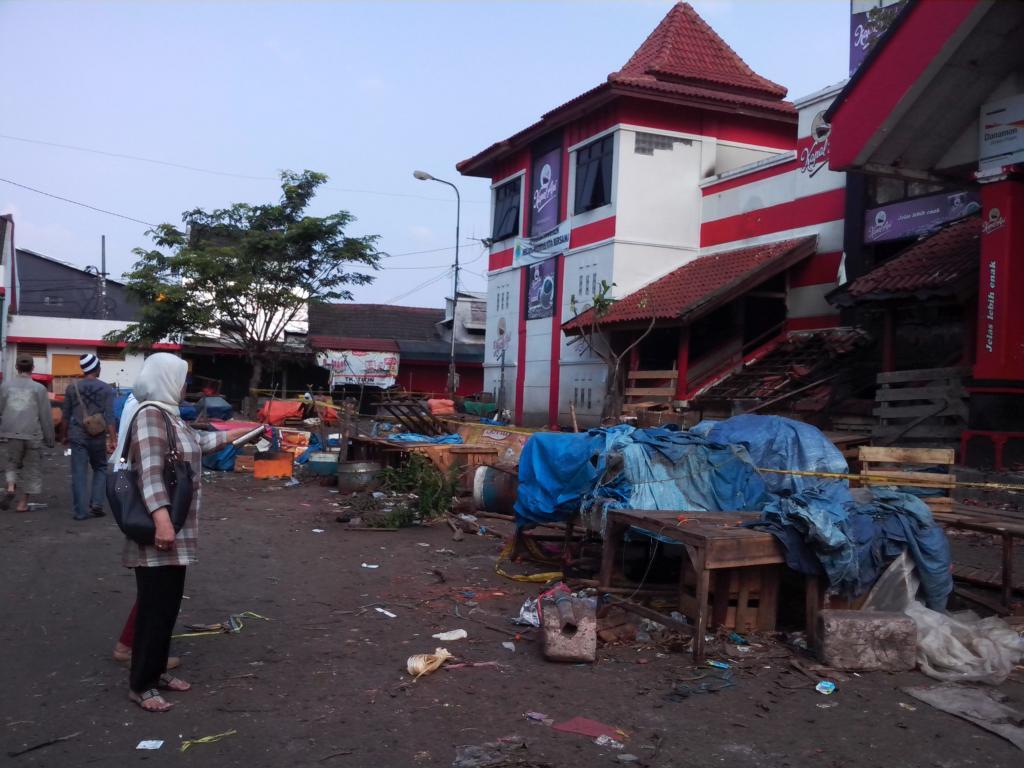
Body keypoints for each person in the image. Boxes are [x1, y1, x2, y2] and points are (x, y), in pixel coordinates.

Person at [121, 353, 258, 712]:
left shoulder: (169, 416)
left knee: (167, 606)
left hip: (176, 528)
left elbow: (198, 444)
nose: (186, 387)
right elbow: (149, 472)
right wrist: (162, 521)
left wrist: (237, 434)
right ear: (166, 380)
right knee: (153, 608)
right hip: (160, 527)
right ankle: (141, 684)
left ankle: (158, 670)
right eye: (181, 379)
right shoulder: (150, 415)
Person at [62, 353, 116, 520]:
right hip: (97, 436)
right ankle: (97, 503)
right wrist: (113, 439)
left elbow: (65, 415)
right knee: (100, 468)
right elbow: (110, 417)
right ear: (96, 368)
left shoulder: (72, 388)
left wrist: (63, 436)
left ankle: (80, 512)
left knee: (79, 473)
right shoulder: (107, 389)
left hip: (77, 435)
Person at [0, 353, 56, 512]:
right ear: (32, 368)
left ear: (17, 367)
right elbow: (45, 416)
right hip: (32, 434)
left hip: (11, 432)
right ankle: (22, 503)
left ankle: (11, 486)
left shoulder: (5, 386)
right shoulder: (39, 389)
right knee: (31, 469)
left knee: (12, 462)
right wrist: (50, 439)